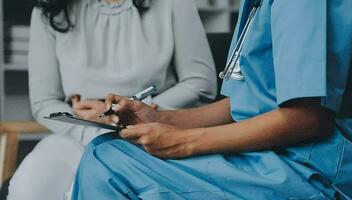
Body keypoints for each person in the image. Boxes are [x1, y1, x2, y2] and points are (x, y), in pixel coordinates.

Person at [71, 0, 352, 199]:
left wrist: (182, 142)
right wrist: (159, 118)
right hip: (273, 154)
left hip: (314, 170)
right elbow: (249, 104)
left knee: (108, 162)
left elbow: (306, 119)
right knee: (108, 148)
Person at [7, 0, 217, 199]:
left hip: (152, 132)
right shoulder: (49, 9)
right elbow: (44, 102)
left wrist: (134, 112)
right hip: (78, 136)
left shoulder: (173, 3)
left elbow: (200, 83)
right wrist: (92, 129)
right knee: (27, 191)